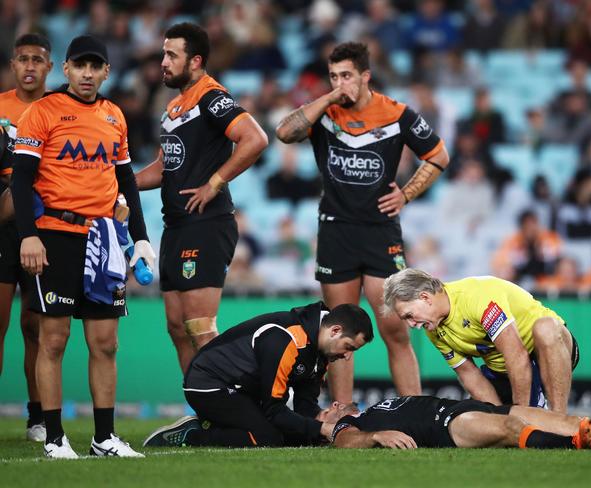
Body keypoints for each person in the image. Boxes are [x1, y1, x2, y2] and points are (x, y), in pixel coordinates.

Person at [275, 42, 450, 404]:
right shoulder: (324, 113)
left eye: (347, 76)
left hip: (379, 232)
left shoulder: (397, 114)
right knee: (340, 331)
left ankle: (416, 412)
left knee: (394, 329)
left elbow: (438, 155)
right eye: (334, 76)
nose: (340, 83)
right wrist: (327, 98)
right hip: (336, 231)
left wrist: (405, 194)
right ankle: (343, 412)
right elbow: (283, 133)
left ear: (365, 76)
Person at [11, 35, 155, 458]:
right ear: (67, 69)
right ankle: (55, 438)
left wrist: (141, 239)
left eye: (96, 67)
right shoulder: (42, 112)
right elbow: (21, 179)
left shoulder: (115, 116)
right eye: (81, 66)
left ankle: (103, 438)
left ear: (107, 71)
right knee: (53, 338)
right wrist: (28, 235)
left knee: (106, 341)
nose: (88, 74)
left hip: (105, 237)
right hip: (55, 235)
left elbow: (126, 180)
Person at [135, 23, 268, 373]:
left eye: (171, 55)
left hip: (206, 224)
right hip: (176, 226)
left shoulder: (212, 96)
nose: (163, 62)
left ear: (195, 61)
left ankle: (234, 409)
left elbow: (254, 139)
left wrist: (215, 182)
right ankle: (203, 412)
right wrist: (119, 182)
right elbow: (165, 167)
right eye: (164, 54)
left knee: (200, 328)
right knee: (178, 329)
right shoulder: (175, 107)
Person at [142, 302, 374, 448]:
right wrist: (322, 429)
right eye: (349, 347)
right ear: (335, 331)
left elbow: (305, 404)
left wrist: (322, 422)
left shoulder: (321, 351)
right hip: (209, 385)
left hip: (243, 390)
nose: (347, 357)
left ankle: (221, 424)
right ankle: (195, 434)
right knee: (268, 437)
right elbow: (274, 409)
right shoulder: (287, 339)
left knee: (299, 434)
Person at [382, 269, 579, 413]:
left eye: (409, 315)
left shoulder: (477, 297)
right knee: (474, 420)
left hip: (547, 352)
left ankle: (559, 418)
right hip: (503, 372)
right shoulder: (432, 327)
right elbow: (469, 375)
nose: (411, 324)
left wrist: (519, 414)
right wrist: (498, 418)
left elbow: (516, 356)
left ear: (425, 297)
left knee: (545, 327)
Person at [0, 33, 52, 443]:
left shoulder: (62, 109)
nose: (30, 66)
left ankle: (37, 417)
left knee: (35, 327)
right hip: (4, 227)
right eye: (22, 59)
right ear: (13, 66)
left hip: (45, 227)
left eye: (37, 59)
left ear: (50, 67)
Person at [331, 395, 591, 450]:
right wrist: (377, 437)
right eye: (322, 412)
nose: (331, 406)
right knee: (513, 432)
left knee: (563, 419)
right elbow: (344, 441)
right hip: (448, 427)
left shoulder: (373, 408)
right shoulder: (348, 424)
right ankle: (573, 445)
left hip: (467, 407)